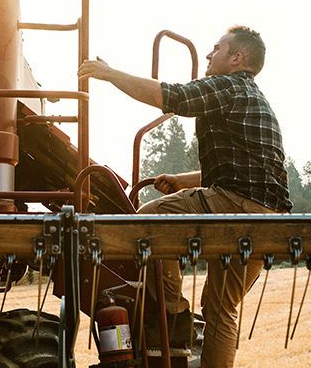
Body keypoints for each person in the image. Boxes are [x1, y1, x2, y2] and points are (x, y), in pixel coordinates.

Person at [78, 25, 292, 368]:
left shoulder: (229, 86)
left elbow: (173, 97)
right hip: (268, 219)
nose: (209, 54)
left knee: (149, 219)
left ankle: (172, 313)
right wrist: (182, 180)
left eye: (217, 48)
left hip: (234, 207)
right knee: (222, 311)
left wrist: (110, 74)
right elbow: (249, 169)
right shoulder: (254, 98)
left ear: (237, 59)